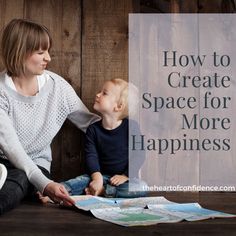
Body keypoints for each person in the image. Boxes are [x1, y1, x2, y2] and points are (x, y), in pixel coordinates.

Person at [0, 18, 100, 215]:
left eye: (47, 51)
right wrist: (46, 185)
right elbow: (12, 148)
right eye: (40, 52)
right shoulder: (1, 92)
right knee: (17, 177)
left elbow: (90, 124)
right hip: (2, 163)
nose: (48, 58)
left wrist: (126, 131)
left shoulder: (57, 87)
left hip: (37, 165)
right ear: (20, 53)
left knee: (20, 179)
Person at [62, 78, 147, 198]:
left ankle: (104, 191)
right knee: (79, 181)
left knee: (141, 187)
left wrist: (126, 176)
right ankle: (57, 192)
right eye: (100, 91)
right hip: (99, 175)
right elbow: (91, 155)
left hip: (124, 179)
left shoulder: (131, 127)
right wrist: (97, 179)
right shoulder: (93, 129)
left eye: (104, 93)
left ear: (118, 106)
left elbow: (139, 154)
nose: (97, 94)